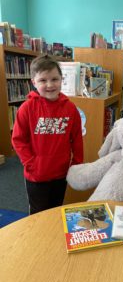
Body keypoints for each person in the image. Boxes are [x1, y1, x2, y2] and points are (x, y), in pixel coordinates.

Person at [12, 55, 83, 214]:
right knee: (38, 214)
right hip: (36, 176)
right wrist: (32, 164)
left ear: (61, 79)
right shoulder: (27, 108)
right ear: (34, 82)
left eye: (54, 79)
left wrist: (76, 165)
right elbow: (18, 140)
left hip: (61, 173)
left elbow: (77, 139)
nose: (50, 85)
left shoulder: (71, 109)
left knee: (56, 210)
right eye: (43, 80)